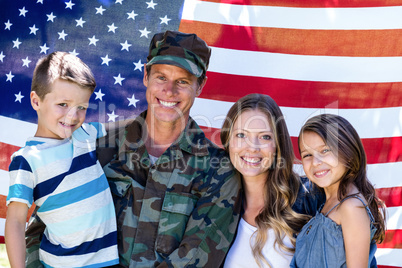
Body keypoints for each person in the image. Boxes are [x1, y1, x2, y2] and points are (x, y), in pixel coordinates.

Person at [25, 31, 242, 268]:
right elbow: (42, 228)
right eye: (161, 77)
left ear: (200, 86)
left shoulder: (218, 171)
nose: (169, 91)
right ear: (146, 76)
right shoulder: (95, 145)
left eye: (183, 81)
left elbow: (197, 258)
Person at [5, 52, 119, 267]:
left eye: (82, 107)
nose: (72, 116)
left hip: (107, 262)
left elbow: (125, 127)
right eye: (63, 104)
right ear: (36, 101)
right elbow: (16, 222)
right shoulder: (27, 160)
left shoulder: (84, 134)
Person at [220, 94, 324, 268]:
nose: (252, 147)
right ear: (228, 141)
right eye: (241, 135)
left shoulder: (310, 199)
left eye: (265, 137)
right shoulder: (215, 204)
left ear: (278, 145)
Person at [290, 114, 386, 267]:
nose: (315, 162)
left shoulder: (351, 207)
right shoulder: (326, 203)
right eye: (307, 155)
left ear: (347, 153)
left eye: (325, 150)